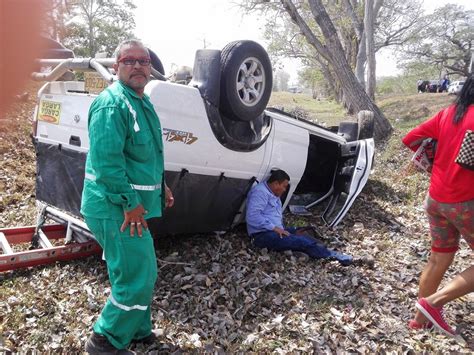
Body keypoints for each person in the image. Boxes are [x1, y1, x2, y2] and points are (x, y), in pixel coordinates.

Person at [81, 39, 174, 354]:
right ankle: (105, 339)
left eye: (143, 61)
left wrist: (162, 186)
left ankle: (137, 329)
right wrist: (131, 205)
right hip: (115, 207)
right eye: (128, 60)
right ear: (115, 66)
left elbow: (143, 157)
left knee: (141, 267)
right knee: (137, 273)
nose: (137, 66)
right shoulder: (112, 104)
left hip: (129, 207)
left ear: (150, 68)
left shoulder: (139, 100)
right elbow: (108, 166)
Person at [402, 74, 474, 336]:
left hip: (436, 199)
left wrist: (434, 158)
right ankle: (433, 303)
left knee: (438, 258)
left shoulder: (450, 113)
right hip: (466, 201)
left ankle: (418, 321)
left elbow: (410, 138)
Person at [245, 169, 352, 265]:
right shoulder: (260, 193)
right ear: (276, 183)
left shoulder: (273, 193)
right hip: (262, 235)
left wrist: (281, 229)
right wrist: (275, 228)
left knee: (303, 230)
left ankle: (316, 248)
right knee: (300, 240)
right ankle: (331, 255)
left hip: (276, 230)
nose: (285, 190)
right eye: (284, 186)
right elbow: (252, 216)